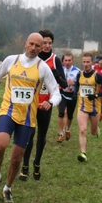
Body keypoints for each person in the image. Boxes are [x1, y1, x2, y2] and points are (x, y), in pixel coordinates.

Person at [0, 32, 61, 203]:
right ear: (25, 44)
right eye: (31, 44)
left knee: (17, 158)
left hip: (27, 118)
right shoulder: (12, 60)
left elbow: (56, 93)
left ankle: (8, 188)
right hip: (8, 111)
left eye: (38, 46)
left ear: (42, 48)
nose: (34, 48)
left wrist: (51, 102)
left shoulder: (43, 67)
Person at [19, 29, 68, 181]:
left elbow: (64, 84)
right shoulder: (32, 58)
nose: (47, 46)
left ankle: (37, 163)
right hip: (31, 103)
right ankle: (25, 165)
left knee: (42, 135)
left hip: (46, 104)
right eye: (44, 43)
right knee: (29, 135)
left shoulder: (55, 60)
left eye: (49, 43)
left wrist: (55, 74)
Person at [73, 53, 102, 162]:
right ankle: (83, 153)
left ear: (92, 62)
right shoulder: (79, 75)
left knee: (93, 132)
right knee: (83, 130)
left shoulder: (97, 76)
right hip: (82, 107)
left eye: (88, 62)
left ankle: (97, 129)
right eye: (84, 62)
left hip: (94, 108)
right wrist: (76, 92)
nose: (86, 64)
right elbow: (76, 86)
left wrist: (96, 95)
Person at [57, 53, 80, 143]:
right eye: (65, 60)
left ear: (73, 61)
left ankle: (67, 129)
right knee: (62, 113)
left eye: (69, 60)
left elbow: (80, 84)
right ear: (63, 61)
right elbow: (56, 80)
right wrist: (58, 85)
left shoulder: (77, 71)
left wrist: (74, 84)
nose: (67, 62)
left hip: (72, 95)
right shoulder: (60, 70)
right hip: (62, 94)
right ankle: (60, 134)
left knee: (69, 115)